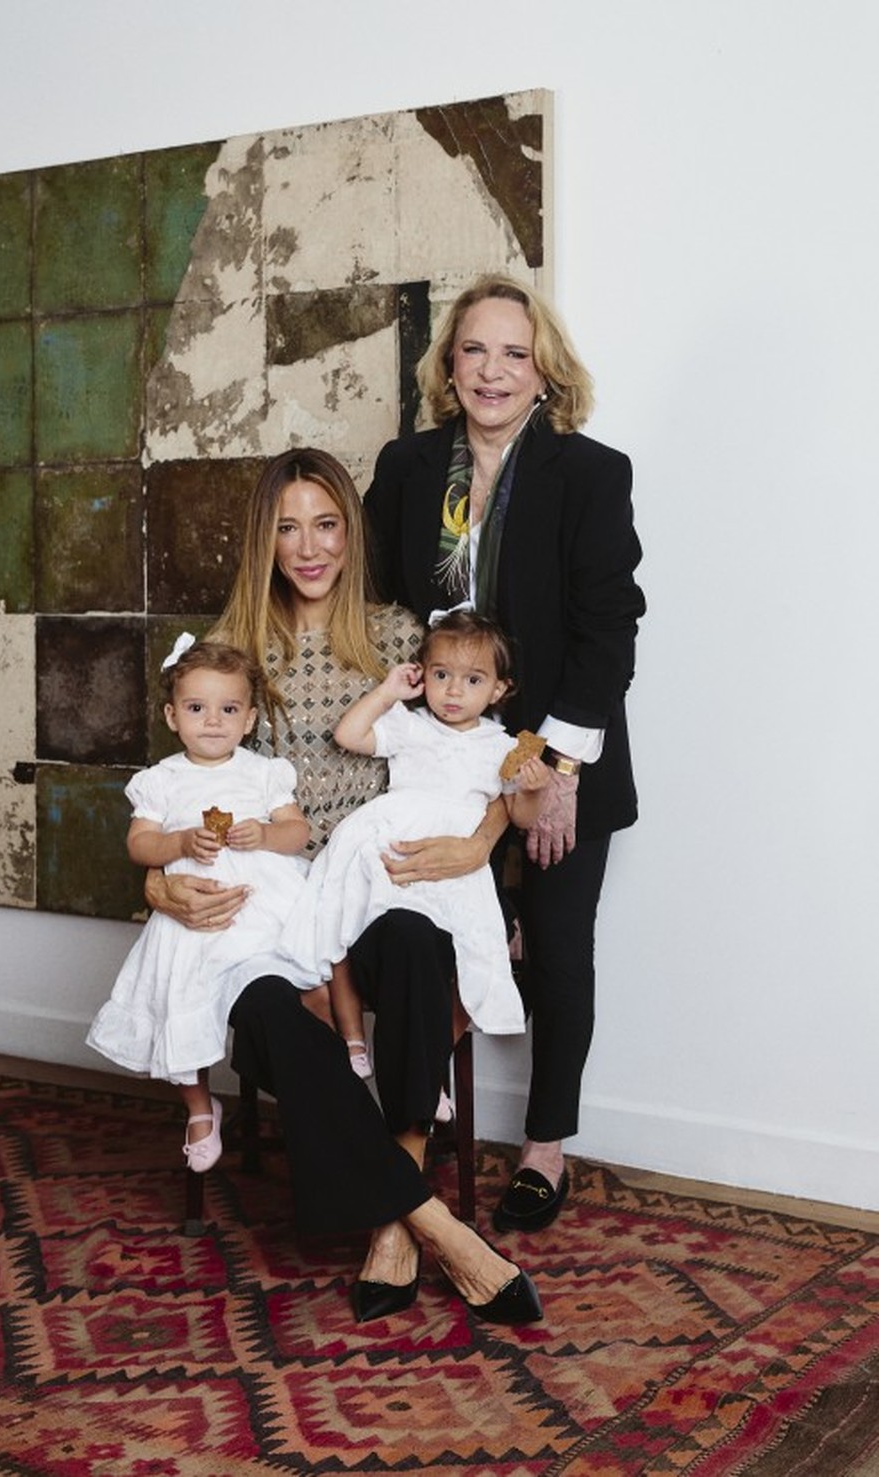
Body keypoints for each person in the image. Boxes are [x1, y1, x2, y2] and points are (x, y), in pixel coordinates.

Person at [143, 450, 534, 1323]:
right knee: (274, 1010)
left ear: (350, 531)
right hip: (263, 895)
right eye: (287, 526)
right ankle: (431, 1222)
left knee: (405, 942)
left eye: (326, 523)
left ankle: (393, 1218)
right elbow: (170, 790)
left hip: (378, 881)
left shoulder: (404, 638)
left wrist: (477, 846)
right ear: (264, 538)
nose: (308, 546)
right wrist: (163, 891)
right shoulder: (228, 647)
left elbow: (491, 760)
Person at [364, 273, 645, 1234]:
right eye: (475, 350)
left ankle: (544, 1148)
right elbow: (378, 600)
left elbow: (610, 629)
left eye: (514, 353)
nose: (493, 370)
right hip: (440, 752)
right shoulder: (407, 467)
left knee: (559, 950)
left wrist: (557, 772)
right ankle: (416, 1123)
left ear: (544, 370)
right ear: (450, 364)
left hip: (552, 749)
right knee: (419, 938)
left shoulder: (590, 473)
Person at [280, 610, 552, 1077]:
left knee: (478, 947)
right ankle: (354, 1038)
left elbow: (522, 817)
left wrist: (534, 788)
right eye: (441, 675)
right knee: (345, 918)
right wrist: (388, 691)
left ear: (499, 690)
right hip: (395, 836)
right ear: (422, 674)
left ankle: (427, 1068)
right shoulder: (411, 724)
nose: (452, 690)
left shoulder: (502, 747)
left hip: (455, 854)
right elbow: (349, 734)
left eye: (472, 680)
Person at [87, 637, 318, 1173]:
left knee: (309, 982)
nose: (213, 722)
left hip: (260, 908)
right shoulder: (162, 780)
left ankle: (323, 1086)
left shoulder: (263, 773)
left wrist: (264, 833)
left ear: (249, 717)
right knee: (178, 996)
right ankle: (199, 1107)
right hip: (191, 915)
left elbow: (298, 832)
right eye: (196, 709)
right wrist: (182, 844)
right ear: (172, 715)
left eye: (229, 709)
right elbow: (139, 845)